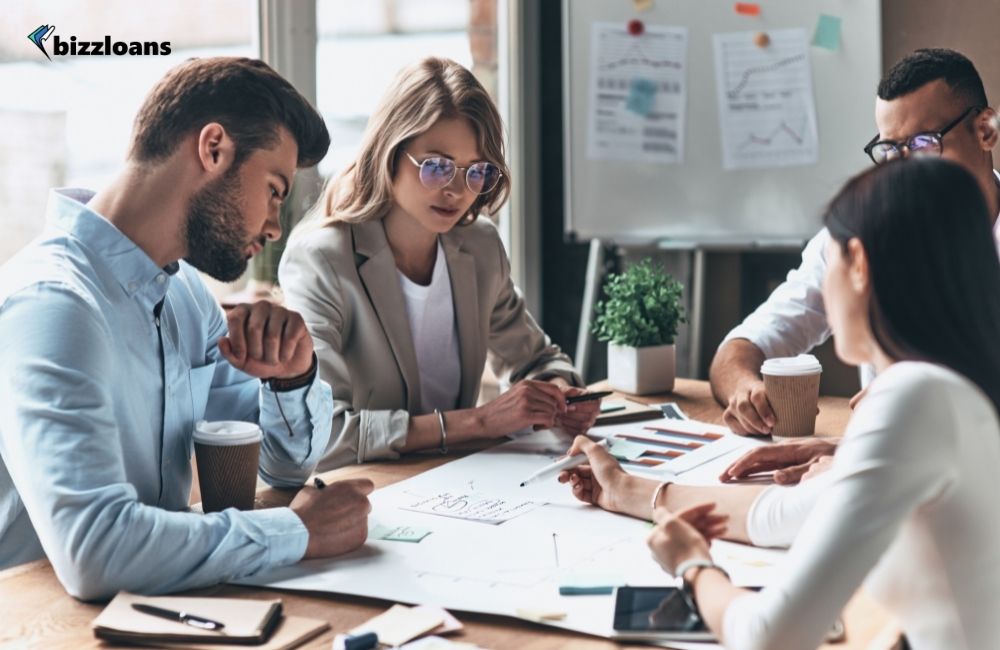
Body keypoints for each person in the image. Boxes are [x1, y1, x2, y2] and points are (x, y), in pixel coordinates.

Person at [567, 158, 1000, 647]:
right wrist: (621, 488)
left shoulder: (912, 400)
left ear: (857, 263)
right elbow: (782, 514)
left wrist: (692, 567)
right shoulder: (952, 395)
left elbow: (770, 637)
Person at [0, 57, 373, 600]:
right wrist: (298, 532)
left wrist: (290, 380)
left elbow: (284, 465)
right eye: (273, 189)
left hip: (161, 612)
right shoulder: (54, 305)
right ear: (213, 148)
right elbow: (96, 551)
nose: (274, 226)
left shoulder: (184, 295)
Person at [280, 57, 599, 472]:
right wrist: (478, 421)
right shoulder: (322, 259)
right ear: (388, 154)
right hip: (367, 490)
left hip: (462, 483)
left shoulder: (479, 245)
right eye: (436, 166)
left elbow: (537, 361)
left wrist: (557, 395)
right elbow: (322, 433)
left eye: (475, 172)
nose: (456, 191)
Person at [711, 49, 1000, 463]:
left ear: (985, 130)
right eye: (891, 151)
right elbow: (743, 346)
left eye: (923, 144)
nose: (903, 170)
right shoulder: (856, 241)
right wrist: (744, 387)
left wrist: (917, 409)